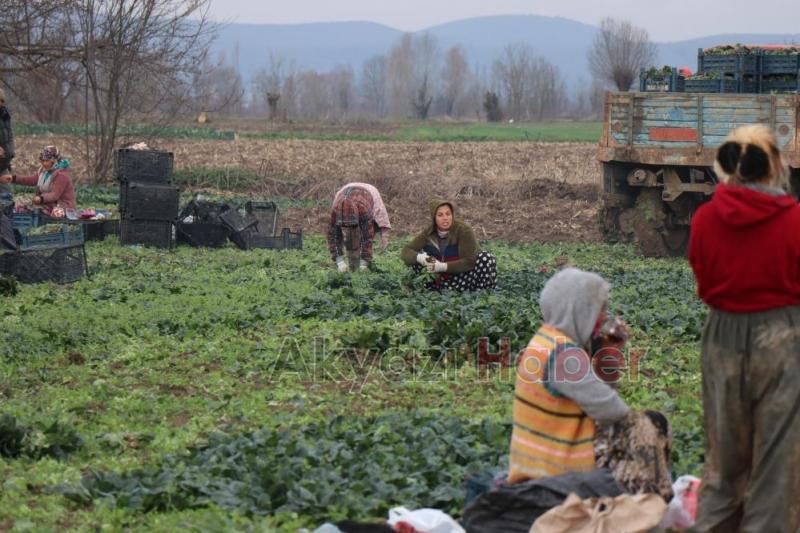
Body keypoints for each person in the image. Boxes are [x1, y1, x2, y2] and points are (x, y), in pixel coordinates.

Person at [688, 124, 800, 532]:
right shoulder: (794, 221)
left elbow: (704, 283)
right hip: (782, 339)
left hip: (722, 339)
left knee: (723, 462)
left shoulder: (704, 220)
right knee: (776, 465)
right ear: (774, 165)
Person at [508, 268, 673, 500]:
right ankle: (658, 503)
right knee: (650, 427)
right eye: (599, 309)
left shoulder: (545, 340)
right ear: (579, 311)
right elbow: (613, 412)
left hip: (537, 463)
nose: (604, 317)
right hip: (556, 474)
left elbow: (600, 405)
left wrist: (605, 352)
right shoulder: (565, 355)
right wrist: (609, 355)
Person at [400, 200, 497, 291]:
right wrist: (421, 258)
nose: (445, 218)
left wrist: (442, 266)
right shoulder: (428, 233)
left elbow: (469, 262)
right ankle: (427, 289)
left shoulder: (463, 230)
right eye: (440, 215)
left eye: (448, 214)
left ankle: (483, 293)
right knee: (414, 258)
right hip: (438, 279)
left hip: (462, 278)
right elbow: (406, 251)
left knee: (486, 258)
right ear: (434, 218)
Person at [326, 182, 391, 272]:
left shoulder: (364, 209)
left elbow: (367, 237)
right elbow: (332, 236)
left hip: (370, 192)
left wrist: (364, 264)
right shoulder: (335, 210)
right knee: (347, 237)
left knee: (369, 231)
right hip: (345, 189)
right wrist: (339, 262)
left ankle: (361, 261)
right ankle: (352, 259)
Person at [1, 145, 76, 214]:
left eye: (47, 161)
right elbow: (32, 180)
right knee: (18, 205)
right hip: (48, 204)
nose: (44, 163)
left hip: (62, 207)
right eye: (43, 161)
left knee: (30, 208)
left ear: (54, 161)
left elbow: (54, 195)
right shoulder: (44, 171)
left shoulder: (61, 175)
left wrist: (41, 198)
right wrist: (13, 178)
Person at [0, 89, 15, 203]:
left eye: (1, 101)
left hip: (3, 164)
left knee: (7, 198)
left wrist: (10, 151)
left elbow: (10, 136)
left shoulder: (5, 115)